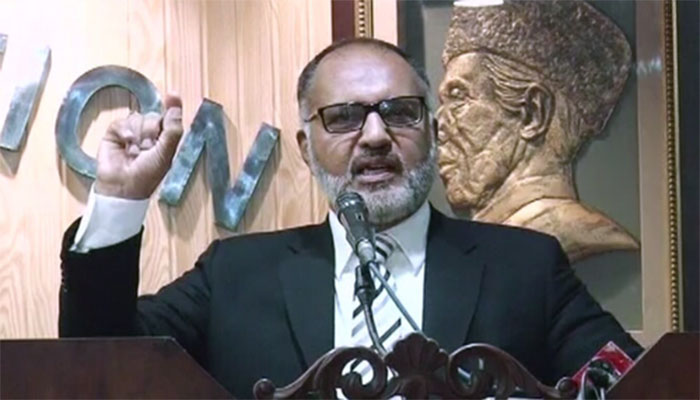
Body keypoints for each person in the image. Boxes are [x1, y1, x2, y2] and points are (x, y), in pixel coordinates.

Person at [59, 38, 642, 398]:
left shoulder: (525, 267)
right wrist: (119, 199)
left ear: (433, 133)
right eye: (343, 117)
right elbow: (100, 363)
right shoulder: (235, 274)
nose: (375, 136)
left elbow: (636, 385)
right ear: (305, 147)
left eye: (401, 112)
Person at [437, 0, 639, 263]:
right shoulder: (486, 248)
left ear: (533, 112)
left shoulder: (573, 240)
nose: (439, 125)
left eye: (458, 97)